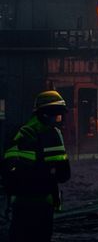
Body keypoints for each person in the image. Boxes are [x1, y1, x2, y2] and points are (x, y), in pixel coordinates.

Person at [2, 90, 71, 242]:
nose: (59, 120)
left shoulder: (19, 132)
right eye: (57, 115)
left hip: (19, 203)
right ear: (47, 114)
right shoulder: (51, 133)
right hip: (41, 203)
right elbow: (64, 174)